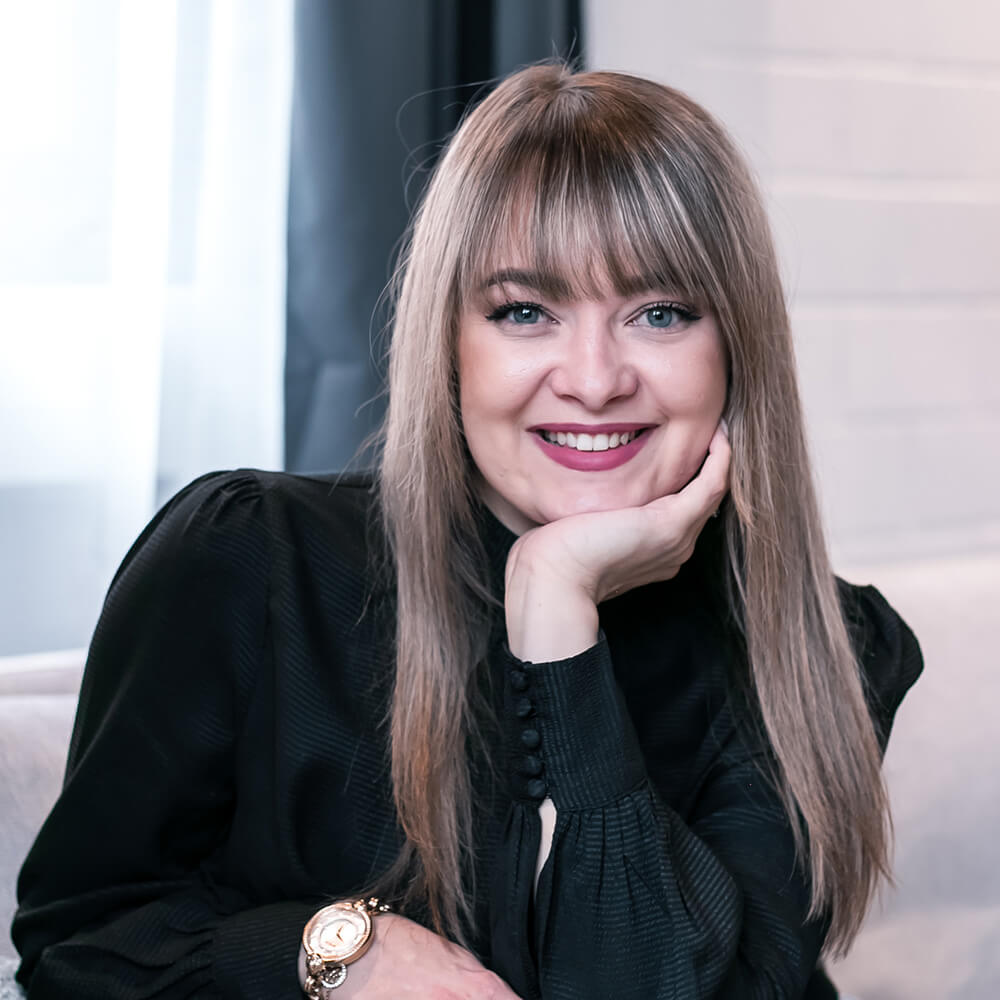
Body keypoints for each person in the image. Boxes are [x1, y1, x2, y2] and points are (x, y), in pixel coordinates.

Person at [12, 63, 921, 1000]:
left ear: (736, 349)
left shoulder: (817, 648)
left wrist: (557, 612)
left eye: (661, 313)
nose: (595, 380)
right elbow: (80, 949)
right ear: (450, 343)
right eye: (525, 312)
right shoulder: (252, 563)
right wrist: (334, 952)